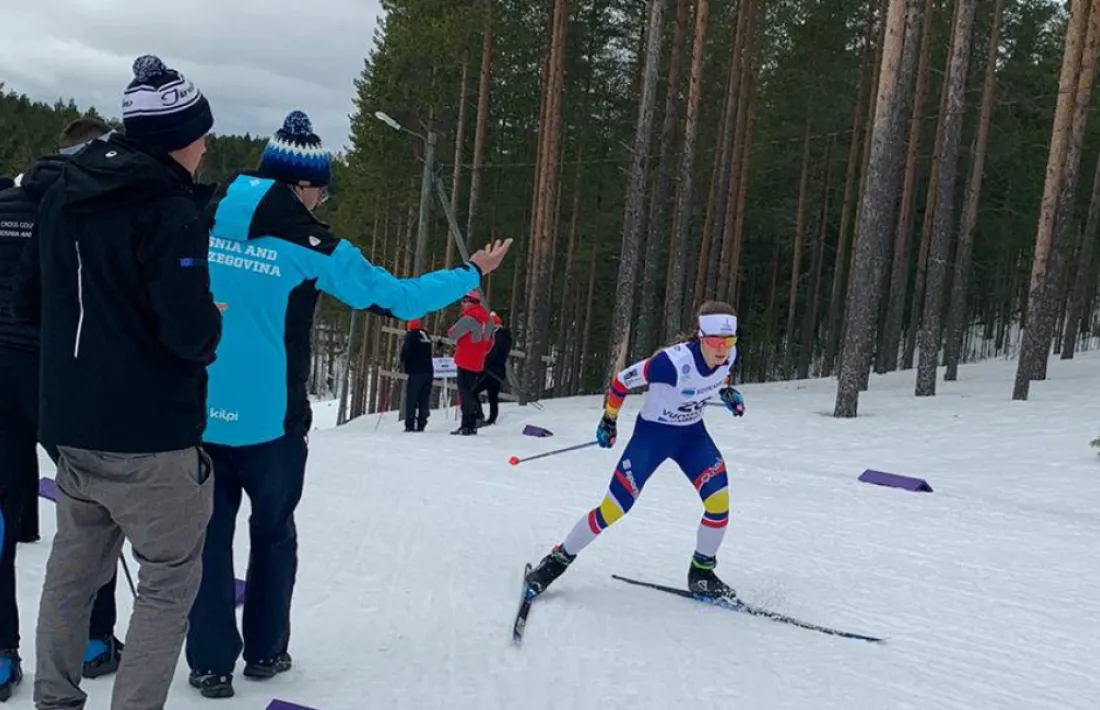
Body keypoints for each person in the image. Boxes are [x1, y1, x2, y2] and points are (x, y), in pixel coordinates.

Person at [185, 110, 512, 698]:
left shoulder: (199, 214)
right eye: (321, 190)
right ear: (303, 186)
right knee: (274, 533)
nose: (321, 201)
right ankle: (264, 652)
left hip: (198, 414)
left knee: (206, 539)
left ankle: (209, 662)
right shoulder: (312, 244)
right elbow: (396, 296)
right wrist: (470, 271)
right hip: (273, 423)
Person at [13, 55, 222, 710]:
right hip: (151, 439)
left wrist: (97, 325)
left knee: (72, 578)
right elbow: (191, 335)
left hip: (73, 431)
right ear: (178, 141)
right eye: (201, 134)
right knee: (167, 581)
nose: (207, 146)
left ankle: (55, 698)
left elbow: (27, 304)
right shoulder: (171, 211)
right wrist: (205, 322)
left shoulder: (63, 196)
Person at [0, 117, 129, 701]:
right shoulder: (86, 210)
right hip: (61, 378)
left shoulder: (5, 198)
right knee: (93, 510)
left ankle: (1, 655)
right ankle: (92, 639)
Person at [524, 301, 746, 599]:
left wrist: (727, 392)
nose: (722, 349)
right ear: (700, 337)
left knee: (718, 504)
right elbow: (621, 381)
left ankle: (702, 573)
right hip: (651, 439)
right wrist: (609, 419)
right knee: (613, 509)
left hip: (692, 438)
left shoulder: (729, 356)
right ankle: (555, 562)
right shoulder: (670, 364)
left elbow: (719, 376)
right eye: (716, 342)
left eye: (729, 341)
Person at [447, 291, 494, 435]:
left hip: (465, 358)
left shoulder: (468, 317)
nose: (462, 304)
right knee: (471, 391)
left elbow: (452, 333)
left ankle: (467, 424)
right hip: (477, 360)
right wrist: (481, 352)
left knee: (465, 392)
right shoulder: (487, 318)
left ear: (469, 301)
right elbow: (490, 341)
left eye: (463, 301)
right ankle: (473, 421)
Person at [472, 311, 510, 426]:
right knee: (493, 396)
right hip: (499, 370)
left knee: (473, 391)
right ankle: (492, 419)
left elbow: (492, 353)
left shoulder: (497, 336)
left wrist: (483, 363)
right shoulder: (506, 336)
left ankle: (479, 416)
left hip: (490, 370)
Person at [400, 318, 434, 432]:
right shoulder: (425, 335)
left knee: (412, 398)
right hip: (428, 371)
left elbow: (406, 351)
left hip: (416, 372)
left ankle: (409, 424)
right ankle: (421, 423)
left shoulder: (411, 336)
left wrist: (402, 360)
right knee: (423, 399)